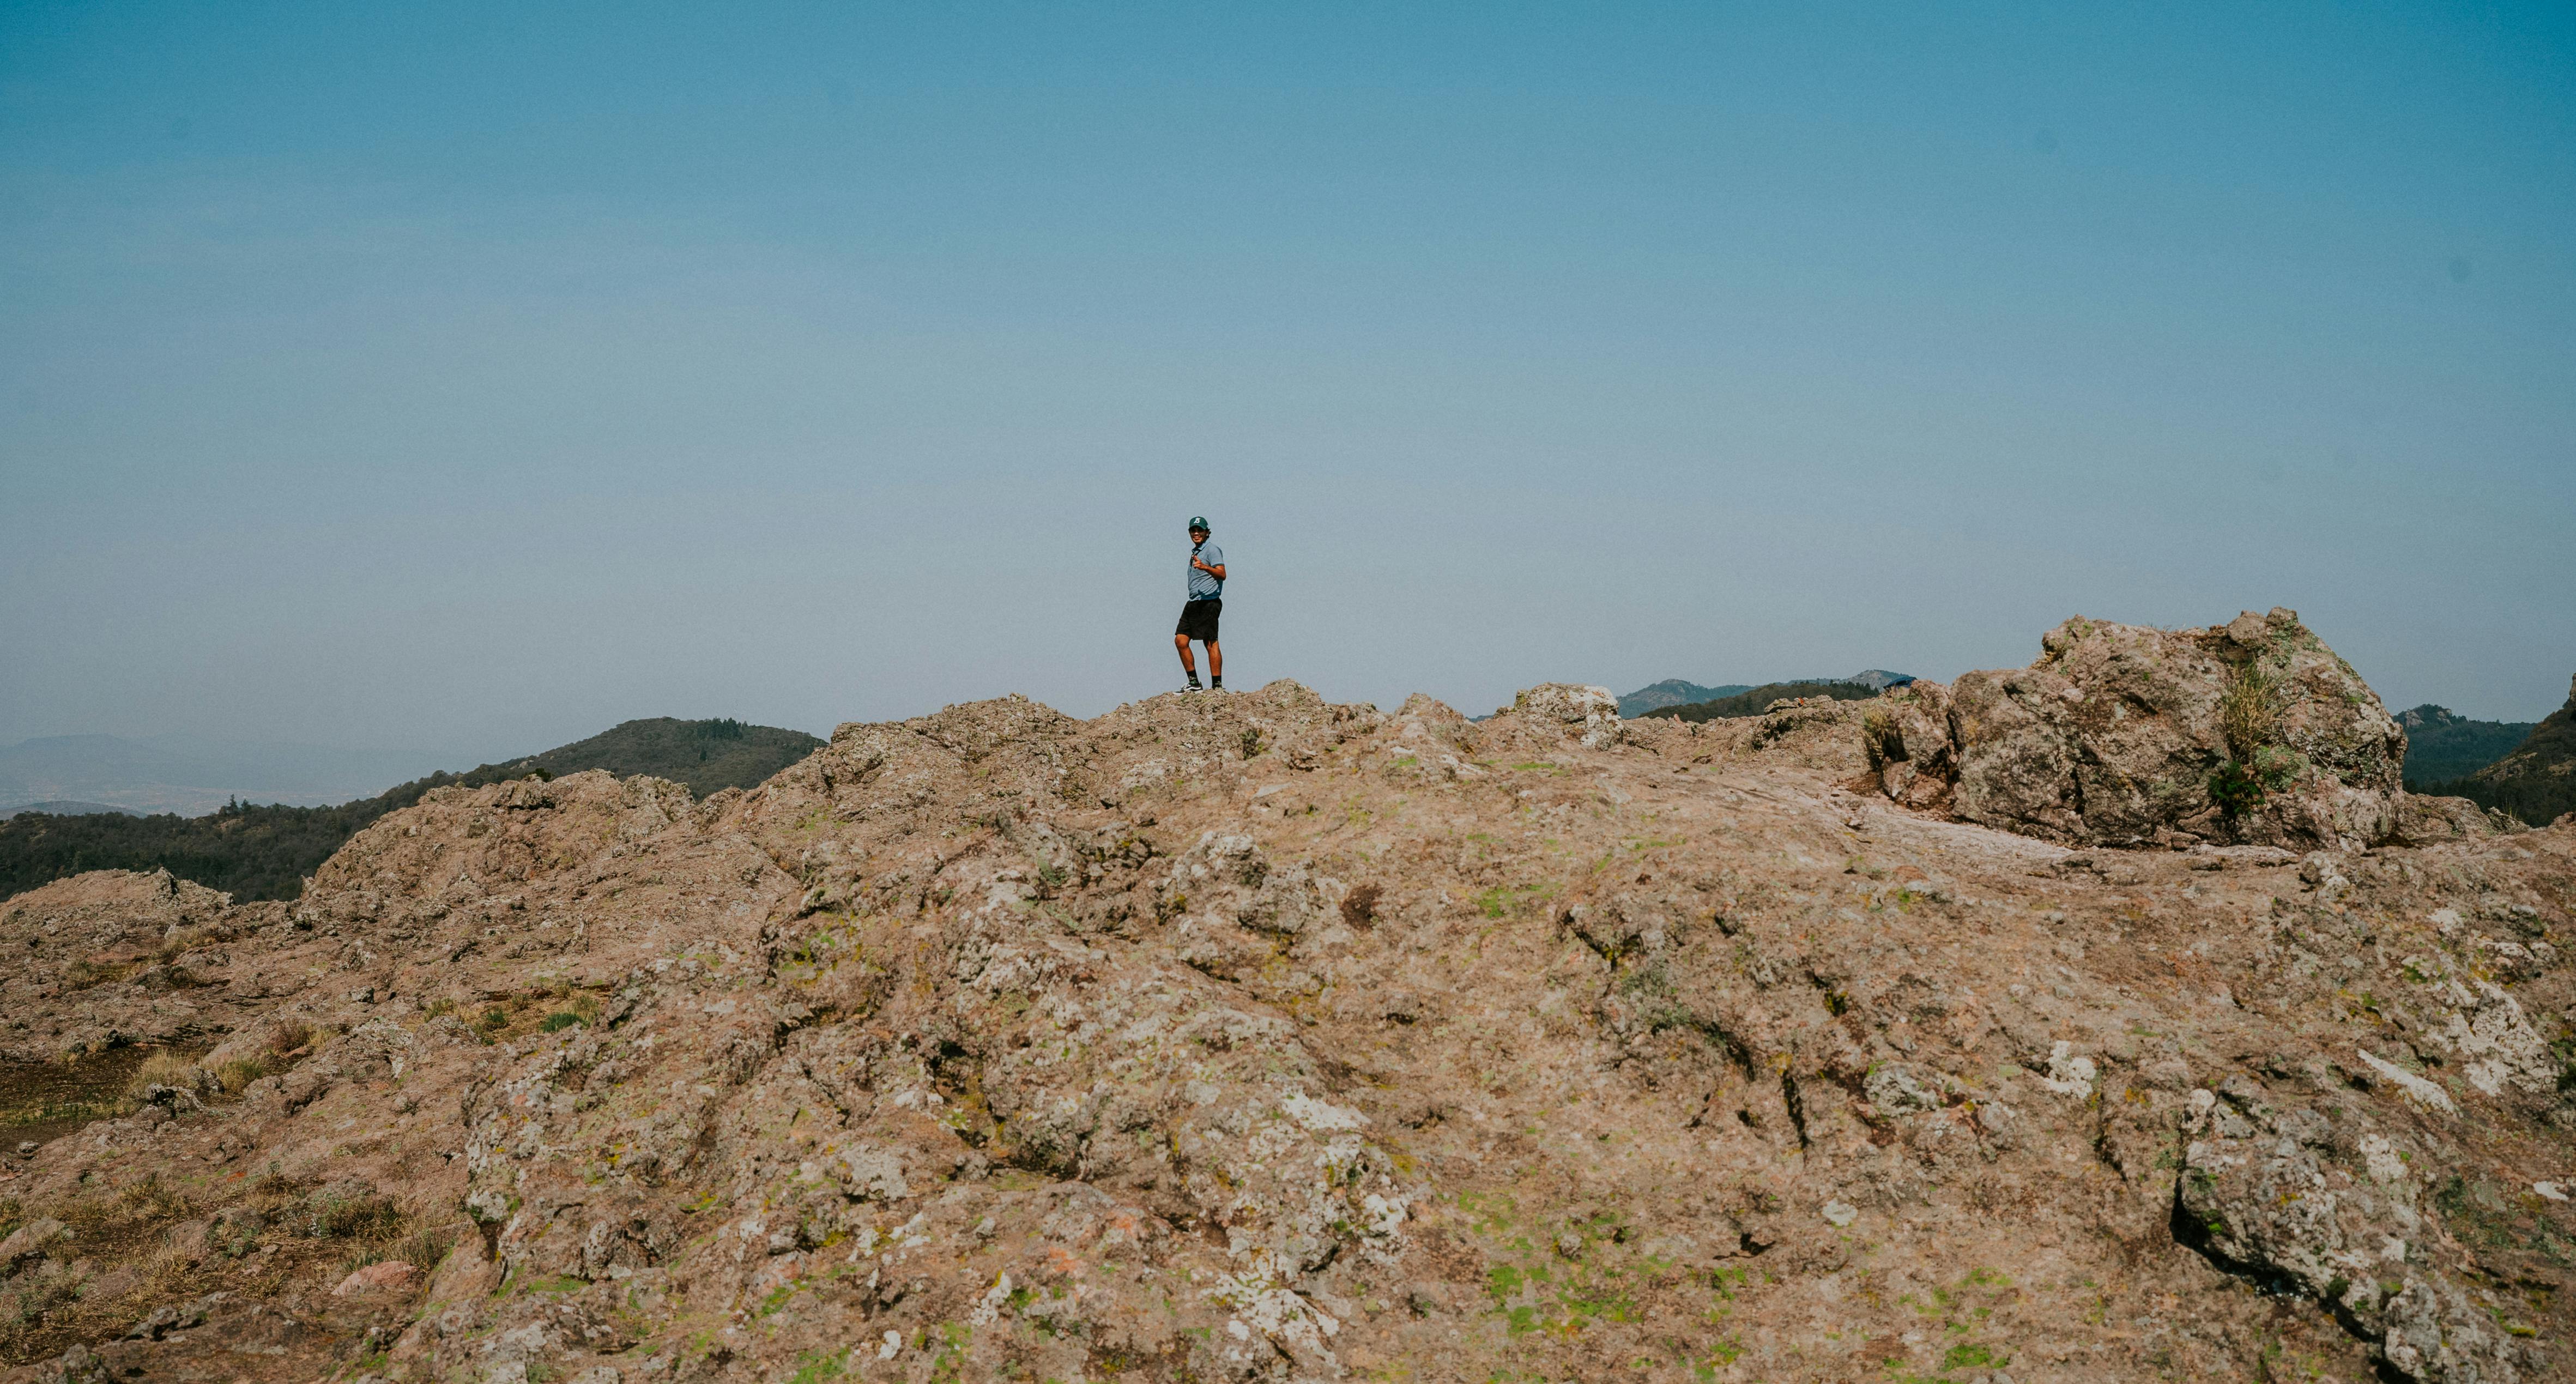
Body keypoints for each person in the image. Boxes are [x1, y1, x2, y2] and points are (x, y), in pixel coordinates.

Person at [1175, 516, 1225, 692]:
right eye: (1193, 530)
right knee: (1181, 641)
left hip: (1209, 602)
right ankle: (1194, 683)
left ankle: (1217, 686)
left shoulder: (1212, 550)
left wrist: (1205, 568)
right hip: (1193, 602)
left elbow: (1222, 574)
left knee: (1210, 642)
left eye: (1200, 530)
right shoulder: (1196, 552)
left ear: (1206, 532)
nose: (1196, 533)